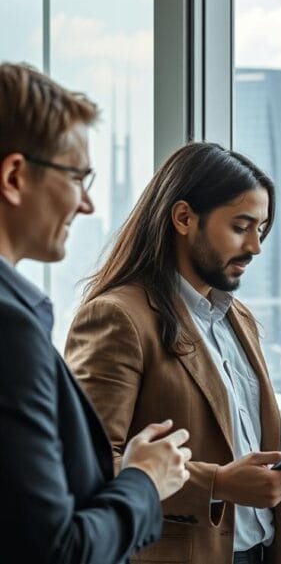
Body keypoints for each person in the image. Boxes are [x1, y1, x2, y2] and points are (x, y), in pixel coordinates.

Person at [64, 142, 281, 564]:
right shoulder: (117, 318)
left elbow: (238, 455)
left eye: (261, 229)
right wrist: (217, 484)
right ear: (184, 218)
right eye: (241, 226)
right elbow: (85, 466)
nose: (255, 247)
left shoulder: (237, 318)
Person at [0, 62, 191, 563]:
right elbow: (57, 552)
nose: (86, 204)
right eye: (77, 176)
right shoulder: (10, 329)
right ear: (15, 177)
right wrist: (144, 480)